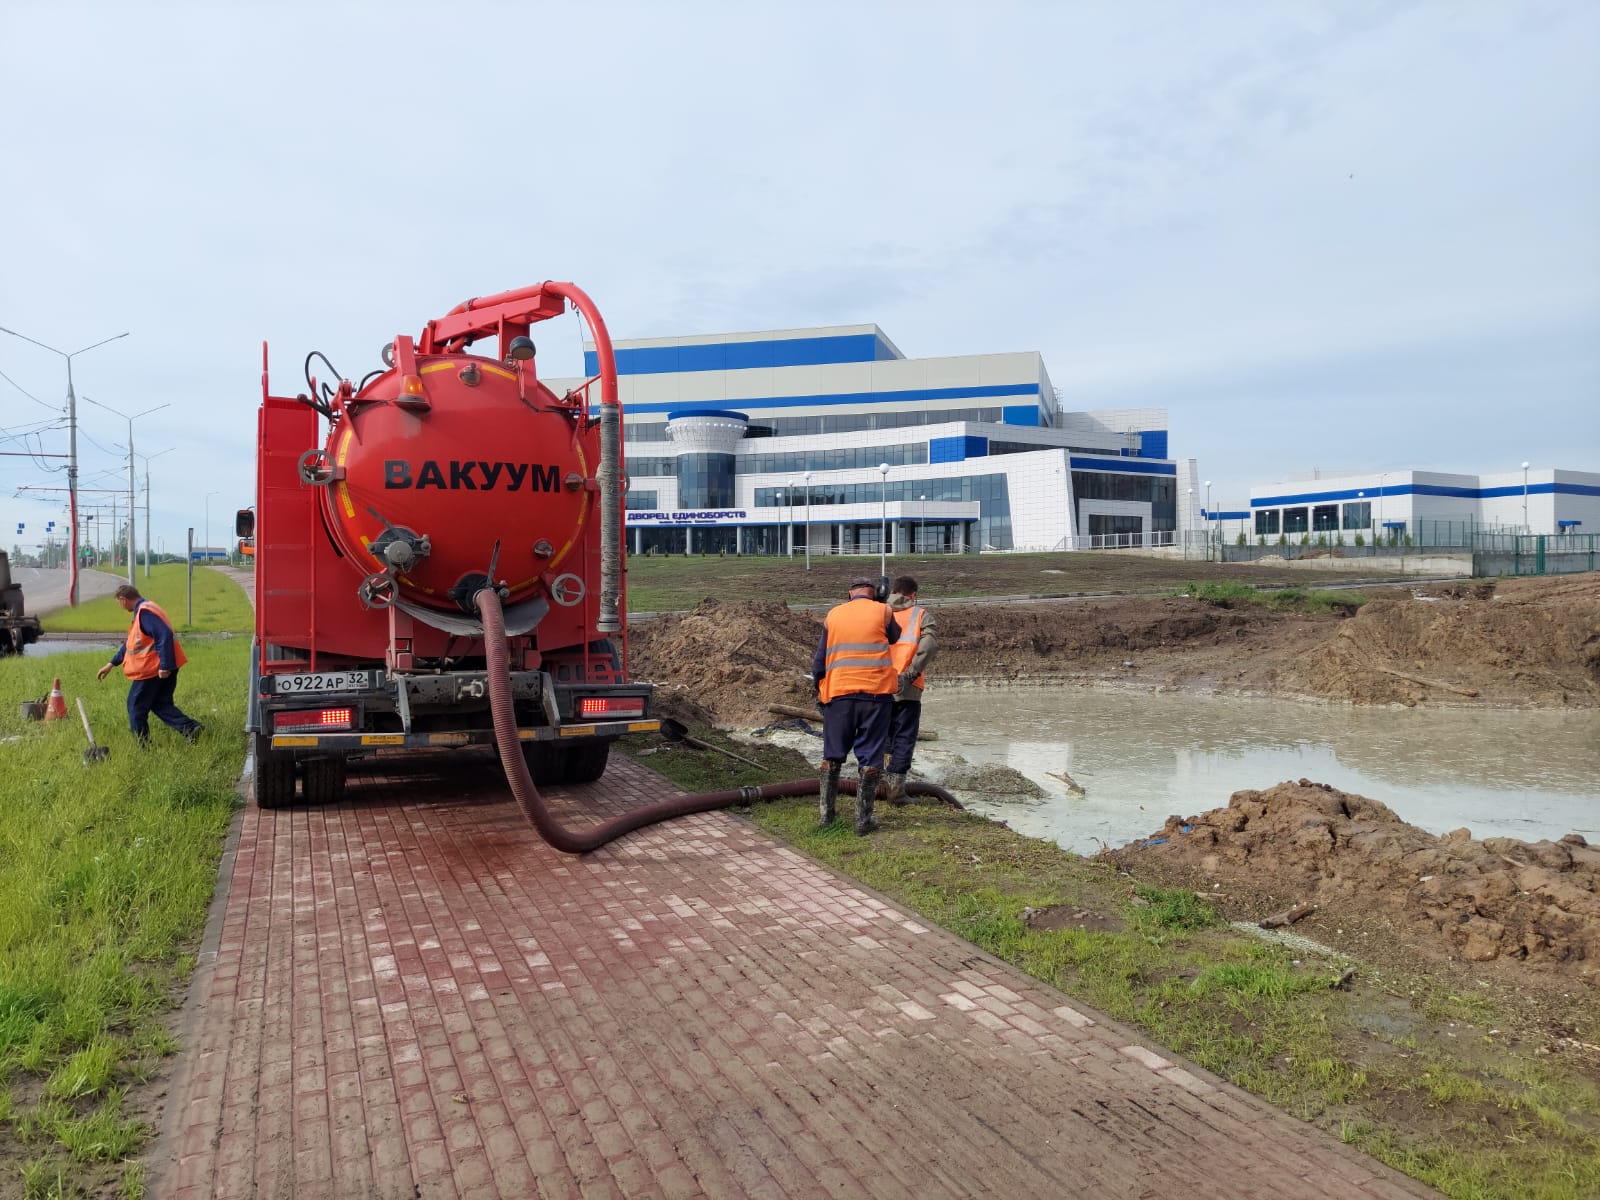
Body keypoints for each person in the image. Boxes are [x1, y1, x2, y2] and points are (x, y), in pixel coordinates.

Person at [811, 575, 901, 834]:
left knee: (832, 756)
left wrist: (821, 689)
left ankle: (826, 817)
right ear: (874, 593)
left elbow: (819, 662)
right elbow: (894, 637)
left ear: (850, 593)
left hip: (839, 695)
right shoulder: (883, 610)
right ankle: (864, 820)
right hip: (876, 695)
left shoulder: (833, 615)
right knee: (871, 755)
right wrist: (882, 604)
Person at [96, 584, 203, 745]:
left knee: (135, 706)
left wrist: (164, 666)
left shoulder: (144, 613)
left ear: (123, 599)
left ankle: (144, 745)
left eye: (119, 602)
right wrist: (111, 663)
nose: (120, 606)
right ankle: (190, 728)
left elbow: (164, 635)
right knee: (160, 703)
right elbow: (131, 644)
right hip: (164, 666)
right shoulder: (146, 609)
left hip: (153, 669)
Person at [883, 575, 937, 804]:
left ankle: (878, 782)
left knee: (883, 735)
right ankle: (895, 791)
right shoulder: (920, 614)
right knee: (904, 736)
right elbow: (929, 646)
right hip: (908, 686)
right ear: (913, 595)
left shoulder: (879, 612)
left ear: (893, 591)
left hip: (879, 683)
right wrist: (911, 672)